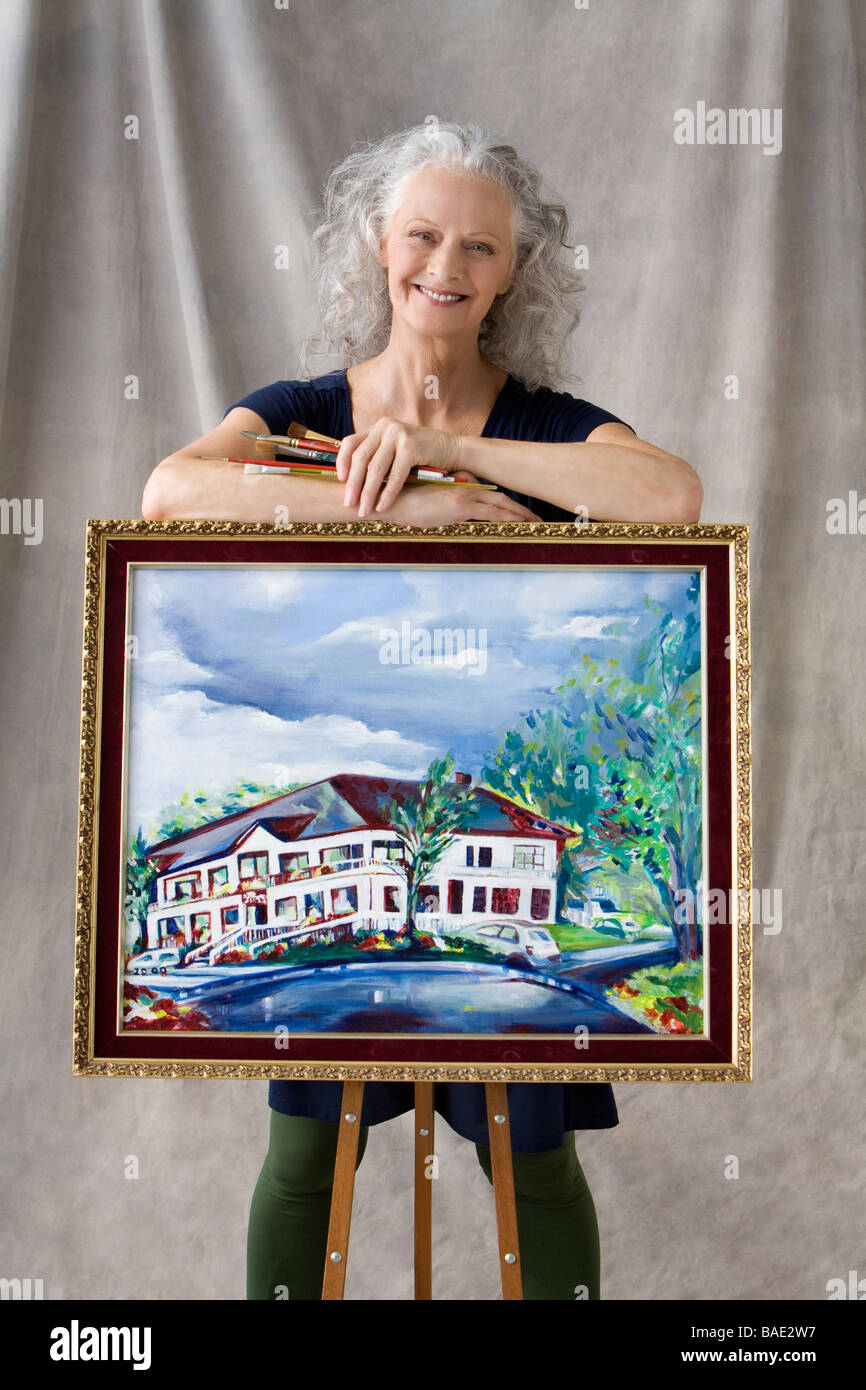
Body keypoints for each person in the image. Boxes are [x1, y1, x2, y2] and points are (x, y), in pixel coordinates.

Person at [142, 120, 702, 1301]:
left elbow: (669, 491)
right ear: (375, 246)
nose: (445, 264)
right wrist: (415, 508)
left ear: (510, 271)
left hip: (466, 776)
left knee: (531, 1166)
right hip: (368, 778)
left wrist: (449, 447)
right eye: (421, 234)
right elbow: (172, 489)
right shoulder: (300, 410)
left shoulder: (543, 424)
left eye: (479, 246)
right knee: (306, 1157)